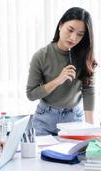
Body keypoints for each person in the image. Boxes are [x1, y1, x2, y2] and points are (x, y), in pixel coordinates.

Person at [26, 7, 97, 136]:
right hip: (45, 120)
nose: (73, 38)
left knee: (75, 156)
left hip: (74, 120)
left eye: (80, 34)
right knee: (41, 156)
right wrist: (58, 80)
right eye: (70, 30)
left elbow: (88, 91)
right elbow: (31, 94)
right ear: (60, 25)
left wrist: (91, 129)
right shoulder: (41, 56)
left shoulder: (85, 57)